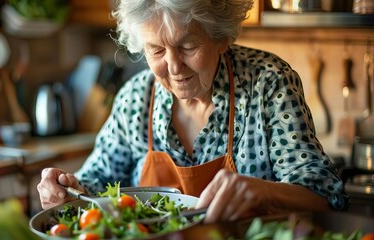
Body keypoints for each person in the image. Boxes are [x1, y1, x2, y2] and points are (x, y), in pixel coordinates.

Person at [37, 0, 348, 223]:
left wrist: (261, 191)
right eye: (156, 50)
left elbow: (324, 196)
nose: (173, 67)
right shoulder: (135, 99)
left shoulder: (267, 84)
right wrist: (67, 192)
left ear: (221, 37)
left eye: (187, 46)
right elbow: (96, 183)